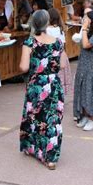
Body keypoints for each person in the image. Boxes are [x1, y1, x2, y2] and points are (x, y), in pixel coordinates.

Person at [19, 10, 65, 170]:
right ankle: (51, 158)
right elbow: (64, 65)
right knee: (52, 119)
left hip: (36, 84)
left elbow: (24, 67)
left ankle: (32, 148)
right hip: (54, 83)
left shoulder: (30, 42)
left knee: (34, 117)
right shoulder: (58, 42)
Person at [47, 8, 72, 95]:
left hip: (52, 56)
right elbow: (63, 45)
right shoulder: (60, 29)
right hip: (61, 56)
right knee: (60, 79)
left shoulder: (47, 30)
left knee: (51, 80)